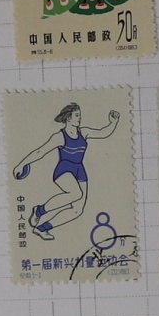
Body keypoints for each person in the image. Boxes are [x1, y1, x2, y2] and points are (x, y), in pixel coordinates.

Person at [13, 103, 120, 241]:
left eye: (80, 115)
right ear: (68, 118)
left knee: (77, 210)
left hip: (80, 170)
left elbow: (103, 133)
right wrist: (22, 164)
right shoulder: (60, 136)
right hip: (64, 169)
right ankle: (39, 211)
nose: (80, 118)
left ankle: (42, 228)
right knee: (75, 193)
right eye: (77, 115)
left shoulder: (84, 132)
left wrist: (113, 122)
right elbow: (40, 152)